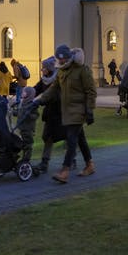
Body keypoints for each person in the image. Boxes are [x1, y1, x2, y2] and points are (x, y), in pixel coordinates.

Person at [34, 46, 95, 183]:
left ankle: (65, 171)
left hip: (79, 110)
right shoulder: (61, 72)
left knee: (71, 139)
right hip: (67, 111)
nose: (61, 61)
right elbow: (53, 89)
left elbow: (91, 90)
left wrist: (90, 109)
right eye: (59, 59)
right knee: (80, 139)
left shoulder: (82, 70)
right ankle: (90, 164)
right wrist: (39, 100)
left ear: (69, 58)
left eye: (63, 59)